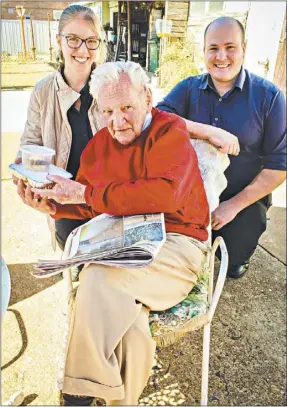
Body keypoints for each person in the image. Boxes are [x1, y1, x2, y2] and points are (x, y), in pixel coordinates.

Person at [18, 61, 210, 405]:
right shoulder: (99, 146)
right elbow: (91, 202)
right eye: (107, 110)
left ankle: (77, 395)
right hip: (128, 241)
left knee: (96, 280)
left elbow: (164, 194)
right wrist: (53, 207)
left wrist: (83, 193)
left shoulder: (170, 131)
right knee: (130, 324)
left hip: (177, 244)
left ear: (147, 98)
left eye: (126, 108)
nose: (117, 121)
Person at [157, 16, 286, 279]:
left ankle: (238, 246)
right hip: (190, 193)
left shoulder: (270, 98)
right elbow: (156, 118)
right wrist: (206, 131)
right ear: (204, 51)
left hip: (241, 197)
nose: (221, 57)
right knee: (174, 254)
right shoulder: (188, 88)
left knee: (233, 265)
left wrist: (231, 207)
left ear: (244, 48)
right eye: (213, 48)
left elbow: (279, 166)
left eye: (230, 47)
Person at [15, 4, 106, 279]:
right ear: (58, 41)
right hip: (66, 204)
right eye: (73, 39)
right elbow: (28, 149)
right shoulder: (43, 91)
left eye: (91, 41)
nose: (82, 50)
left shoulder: (111, 84)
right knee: (78, 268)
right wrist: (32, 190)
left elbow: (144, 122)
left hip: (108, 199)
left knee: (109, 271)